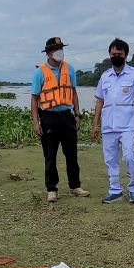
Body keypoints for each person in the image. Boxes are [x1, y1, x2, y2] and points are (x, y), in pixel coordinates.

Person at [31, 37, 90, 202]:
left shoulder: (69, 68)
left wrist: (77, 114)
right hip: (48, 116)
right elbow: (34, 99)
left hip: (67, 116)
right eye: (56, 49)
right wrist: (36, 123)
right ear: (49, 53)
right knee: (50, 155)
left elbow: (74, 93)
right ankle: (51, 189)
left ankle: (75, 186)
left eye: (61, 48)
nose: (60, 51)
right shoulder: (39, 72)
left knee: (71, 153)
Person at [90, 38, 134, 203]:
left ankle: (133, 189)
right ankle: (115, 190)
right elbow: (100, 101)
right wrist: (95, 124)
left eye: (119, 54)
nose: (116, 56)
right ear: (109, 55)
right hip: (108, 125)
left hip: (128, 125)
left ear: (126, 55)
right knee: (110, 159)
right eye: (113, 54)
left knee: (130, 156)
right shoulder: (105, 76)